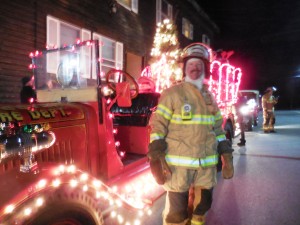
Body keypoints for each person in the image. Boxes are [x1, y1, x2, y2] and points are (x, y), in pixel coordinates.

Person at [147, 43, 234, 225]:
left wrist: (225, 151)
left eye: (199, 65)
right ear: (184, 68)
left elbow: (218, 129)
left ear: (204, 69)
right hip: (178, 169)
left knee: (202, 207)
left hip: (205, 166)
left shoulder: (210, 98)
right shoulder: (172, 94)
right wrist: (155, 152)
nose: (195, 69)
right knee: (176, 215)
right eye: (191, 65)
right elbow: (159, 125)